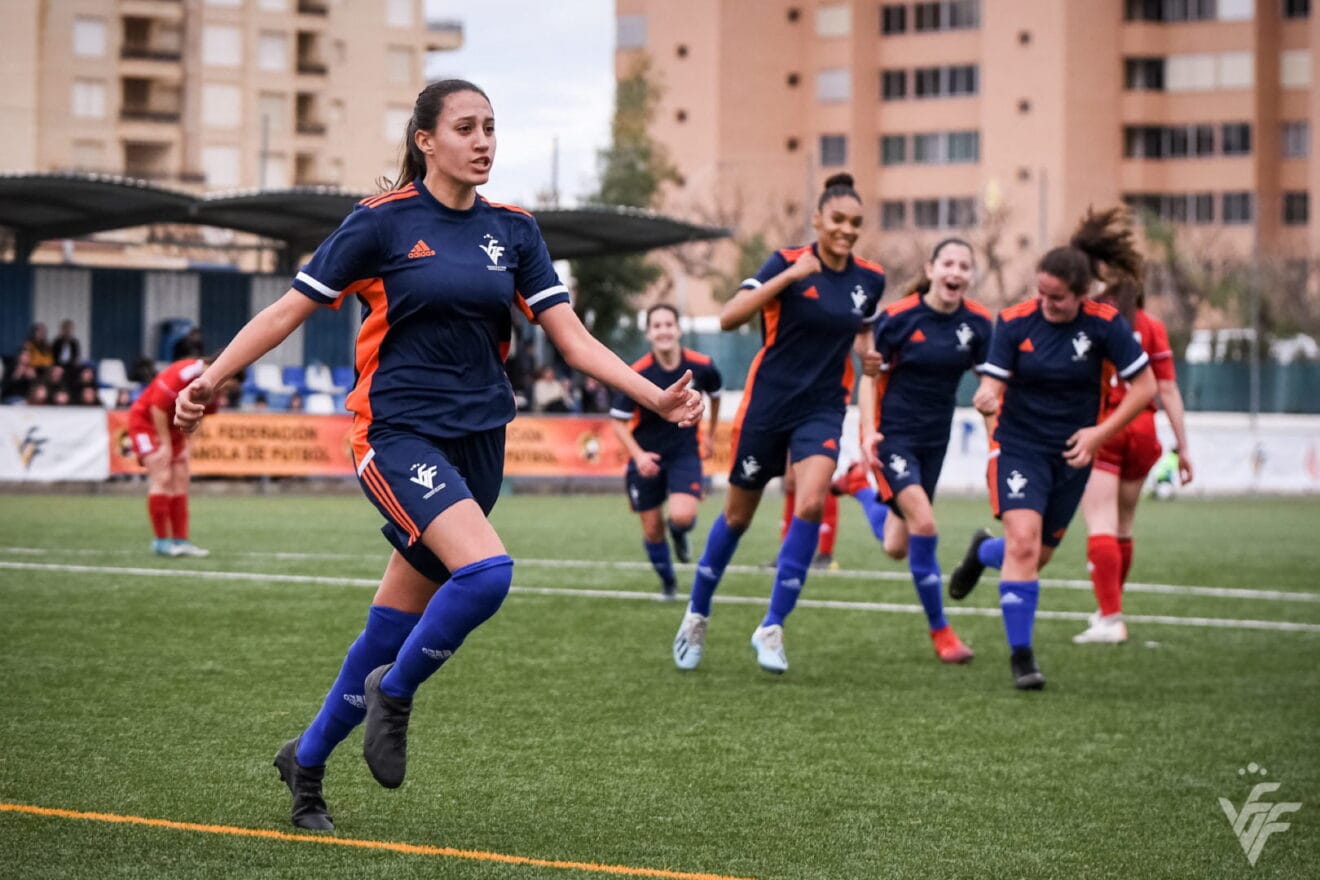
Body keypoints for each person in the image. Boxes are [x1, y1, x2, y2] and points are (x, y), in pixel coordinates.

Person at [172, 79, 703, 832]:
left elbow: (574, 339)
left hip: (481, 444)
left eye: (491, 127)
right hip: (395, 436)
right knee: (487, 574)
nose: (483, 141)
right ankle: (395, 693)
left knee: (389, 629)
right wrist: (210, 377)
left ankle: (307, 762)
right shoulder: (380, 223)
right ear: (426, 140)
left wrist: (654, 398)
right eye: (465, 127)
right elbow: (289, 309)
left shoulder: (515, 231)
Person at [672, 172, 885, 675]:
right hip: (767, 406)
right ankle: (697, 614)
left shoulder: (870, 279)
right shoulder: (786, 262)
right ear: (818, 220)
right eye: (838, 219)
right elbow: (729, 317)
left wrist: (868, 357)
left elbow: (862, 334)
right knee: (737, 518)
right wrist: (788, 278)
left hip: (823, 407)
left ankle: (772, 626)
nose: (847, 229)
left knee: (810, 502)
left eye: (855, 223)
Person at [946, 207, 1156, 690]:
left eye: (1057, 298)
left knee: (1033, 556)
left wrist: (1098, 435)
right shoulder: (1015, 322)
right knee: (1023, 542)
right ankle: (1022, 658)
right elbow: (992, 385)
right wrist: (986, 397)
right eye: (1040, 293)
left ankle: (983, 552)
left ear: (1082, 294)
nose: (1046, 304)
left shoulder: (1105, 324)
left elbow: (1145, 388)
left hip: (1073, 454)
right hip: (1019, 446)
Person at [842, 238, 993, 664]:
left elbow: (992, 387)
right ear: (931, 269)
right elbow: (869, 378)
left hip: (935, 441)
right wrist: (868, 432)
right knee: (924, 525)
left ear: (970, 275)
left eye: (964, 266)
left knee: (897, 545)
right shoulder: (897, 319)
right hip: (894, 438)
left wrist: (998, 442)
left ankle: (858, 487)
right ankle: (942, 632)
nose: (955, 272)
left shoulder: (979, 325)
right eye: (948, 263)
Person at [1074, 279, 1193, 644]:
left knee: (1100, 521)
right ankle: (1109, 610)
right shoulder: (1151, 325)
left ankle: (1110, 619)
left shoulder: (1093, 321)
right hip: (1143, 428)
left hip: (1107, 424)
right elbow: (1167, 388)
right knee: (1123, 525)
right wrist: (1183, 447)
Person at [610, 304, 723, 597]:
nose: (663, 331)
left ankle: (679, 532)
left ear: (678, 329)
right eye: (657, 326)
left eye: (668, 324)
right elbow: (618, 422)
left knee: (682, 516)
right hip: (647, 456)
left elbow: (716, 395)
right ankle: (669, 583)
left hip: (685, 452)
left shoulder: (702, 365)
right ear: (649, 333)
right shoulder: (637, 373)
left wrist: (710, 436)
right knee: (651, 529)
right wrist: (638, 456)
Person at [129, 357, 240, 558]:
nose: (226, 391)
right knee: (162, 477)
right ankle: (161, 542)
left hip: (175, 428)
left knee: (181, 478)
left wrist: (187, 447)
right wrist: (165, 445)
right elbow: (157, 407)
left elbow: (198, 416)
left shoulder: (214, 388)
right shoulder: (183, 373)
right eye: (229, 385)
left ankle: (181, 540)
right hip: (147, 423)